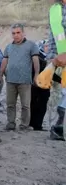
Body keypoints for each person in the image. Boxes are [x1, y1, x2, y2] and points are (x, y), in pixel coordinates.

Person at [0, 23, 40, 131]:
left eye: (18, 32)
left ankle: (24, 125)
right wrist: (0, 74)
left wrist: (36, 74)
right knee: (10, 104)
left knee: (25, 105)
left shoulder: (31, 45)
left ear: (23, 33)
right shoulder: (8, 47)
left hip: (25, 80)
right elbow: (4, 61)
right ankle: (11, 123)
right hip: (10, 80)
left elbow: (35, 60)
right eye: (13, 33)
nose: (16, 35)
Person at [46, 0, 66, 140]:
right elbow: (56, 35)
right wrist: (57, 56)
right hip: (60, 61)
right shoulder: (55, 9)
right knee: (57, 94)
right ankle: (57, 127)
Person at [29, 40, 51, 131]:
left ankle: (38, 125)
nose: (48, 48)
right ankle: (32, 124)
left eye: (49, 46)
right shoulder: (36, 58)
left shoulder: (49, 58)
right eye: (46, 46)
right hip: (35, 86)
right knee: (33, 105)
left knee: (42, 106)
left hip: (46, 87)